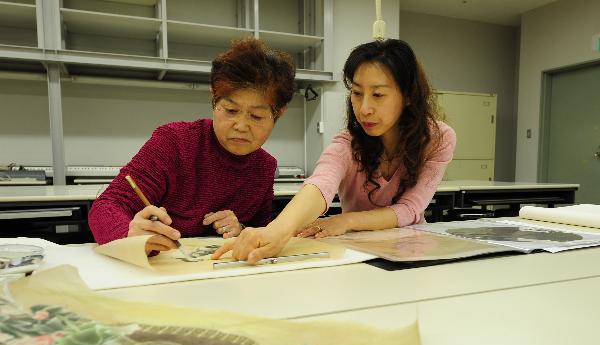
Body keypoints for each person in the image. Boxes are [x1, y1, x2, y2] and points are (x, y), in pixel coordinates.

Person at [213, 38, 456, 263]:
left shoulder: (439, 139)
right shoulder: (348, 144)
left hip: (412, 249)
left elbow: (411, 209)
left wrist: (345, 220)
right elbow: (320, 184)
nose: (365, 108)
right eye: (357, 93)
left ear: (408, 96)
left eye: (378, 94)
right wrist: (277, 230)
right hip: (358, 252)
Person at [88, 38, 296, 254]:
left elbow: (262, 231)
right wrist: (129, 235)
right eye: (230, 111)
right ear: (213, 100)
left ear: (278, 114)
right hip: (162, 271)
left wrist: (242, 230)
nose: (241, 126)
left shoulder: (264, 166)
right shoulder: (174, 142)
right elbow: (106, 206)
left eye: (257, 116)